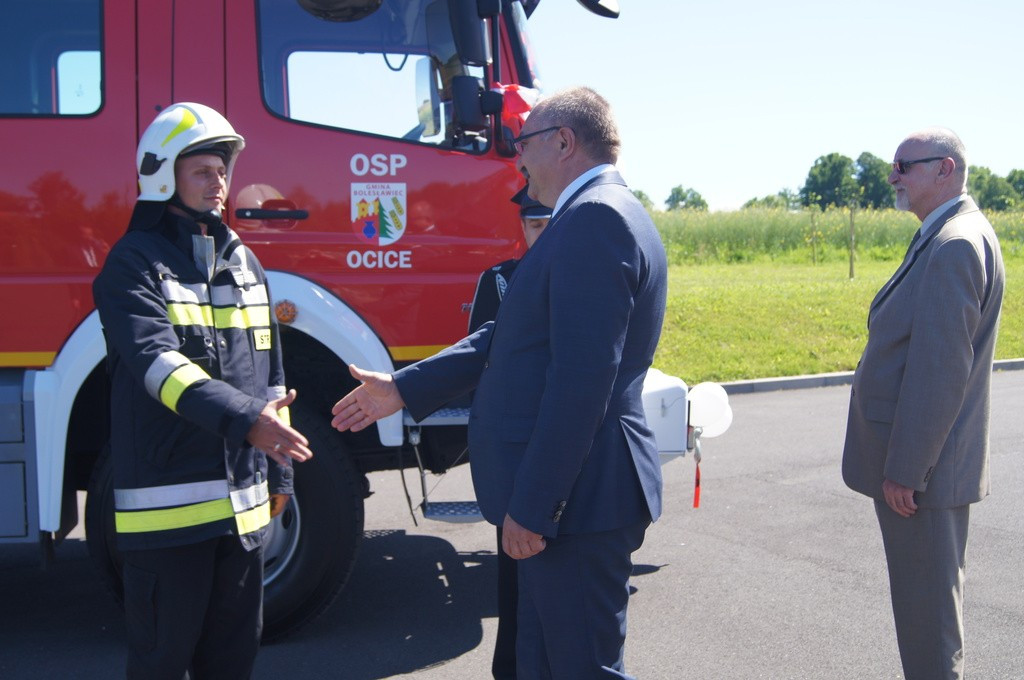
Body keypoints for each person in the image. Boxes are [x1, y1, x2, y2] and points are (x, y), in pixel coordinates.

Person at [332, 86, 667, 679]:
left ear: (563, 142)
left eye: (522, 143)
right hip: (576, 495)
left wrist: (535, 508)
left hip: (579, 501)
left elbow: (581, 384)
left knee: (581, 670)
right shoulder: (592, 216)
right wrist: (403, 388)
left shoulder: (595, 220)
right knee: (539, 665)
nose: (517, 160)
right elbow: (510, 335)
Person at [93, 102, 313, 679]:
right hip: (166, 519)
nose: (218, 183)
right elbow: (157, 365)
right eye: (202, 171)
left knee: (232, 664)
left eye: (222, 170)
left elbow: (272, 377)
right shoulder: (133, 263)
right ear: (163, 176)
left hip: (243, 514)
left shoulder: (244, 262)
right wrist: (248, 421)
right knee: (161, 664)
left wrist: (280, 476)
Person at [842, 127, 1004, 680]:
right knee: (924, 619)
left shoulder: (954, 243)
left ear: (945, 169)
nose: (894, 176)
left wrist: (907, 471)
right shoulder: (946, 234)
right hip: (928, 474)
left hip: (923, 481)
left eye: (904, 166)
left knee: (928, 629)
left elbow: (940, 373)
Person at [468, 186, 552, 680]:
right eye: (534, 225)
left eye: (549, 224)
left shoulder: (582, 275)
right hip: (517, 449)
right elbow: (481, 357)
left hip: (562, 438)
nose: (542, 233)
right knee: (514, 581)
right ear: (522, 228)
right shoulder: (500, 280)